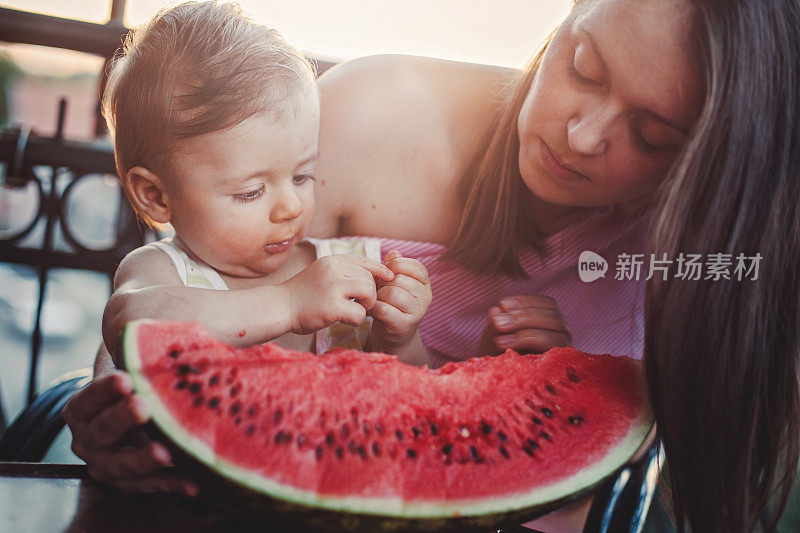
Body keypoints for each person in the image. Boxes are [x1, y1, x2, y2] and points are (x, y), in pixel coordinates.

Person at [65, 0, 799, 530]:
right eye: (583, 66)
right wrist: (117, 409)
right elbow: (182, 293)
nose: (582, 133)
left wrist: (514, 379)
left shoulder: (712, 260)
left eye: (650, 133)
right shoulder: (376, 110)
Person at [97, 0, 432, 367]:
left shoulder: (352, 269)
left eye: (302, 176)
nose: (292, 207)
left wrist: (399, 341)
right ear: (156, 196)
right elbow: (127, 322)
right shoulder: (163, 271)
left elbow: (418, 397)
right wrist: (289, 303)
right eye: (251, 192)